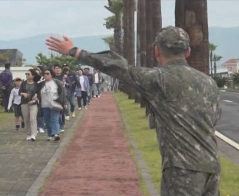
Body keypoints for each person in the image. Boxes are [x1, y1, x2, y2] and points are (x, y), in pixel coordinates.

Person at [46, 26, 222, 196]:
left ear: (156, 51)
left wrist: (75, 51)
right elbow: (214, 117)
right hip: (212, 165)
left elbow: (120, 68)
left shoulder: (158, 79)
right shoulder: (209, 83)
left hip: (182, 168)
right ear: (188, 51)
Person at [38, 68, 67, 141]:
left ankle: (56, 134)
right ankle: (50, 134)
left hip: (55, 103)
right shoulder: (41, 84)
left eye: (47, 74)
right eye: (44, 74)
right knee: (47, 120)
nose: (46, 75)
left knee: (55, 119)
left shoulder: (57, 82)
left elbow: (63, 93)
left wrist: (64, 102)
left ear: (52, 75)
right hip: (45, 104)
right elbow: (37, 92)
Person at [19, 69, 40, 141]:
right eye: (26, 74)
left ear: (33, 76)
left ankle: (33, 134)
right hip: (24, 103)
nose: (27, 76)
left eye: (28, 74)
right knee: (26, 119)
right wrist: (23, 94)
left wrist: (33, 101)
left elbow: (39, 95)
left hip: (33, 103)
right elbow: (19, 92)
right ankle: (28, 133)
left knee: (32, 118)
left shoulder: (36, 84)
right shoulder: (24, 83)